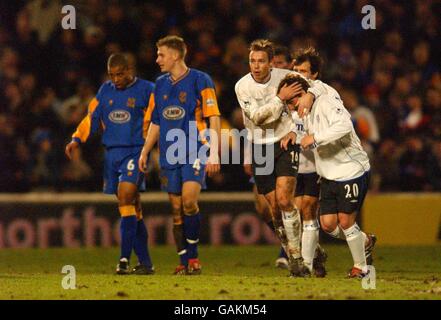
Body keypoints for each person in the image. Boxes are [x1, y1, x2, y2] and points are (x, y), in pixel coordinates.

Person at [235, 39, 329, 277]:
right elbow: (257, 117)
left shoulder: (285, 77)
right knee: (274, 208)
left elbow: (317, 86)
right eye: (252, 61)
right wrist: (280, 98)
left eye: (261, 61)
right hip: (259, 147)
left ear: (270, 64)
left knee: (285, 199)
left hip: (283, 144)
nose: (256, 66)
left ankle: (295, 257)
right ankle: (313, 249)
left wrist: (297, 124)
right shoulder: (242, 86)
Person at [65, 53, 155, 275]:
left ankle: (123, 259)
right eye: (112, 75)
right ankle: (145, 263)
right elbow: (91, 117)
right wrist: (76, 138)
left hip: (135, 152)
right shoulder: (105, 91)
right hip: (112, 155)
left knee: (125, 197)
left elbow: (158, 118)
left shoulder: (147, 89)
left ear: (129, 70)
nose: (116, 79)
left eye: (120, 74)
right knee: (133, 208)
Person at [138, 35, 221, 275]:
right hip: (168, 152)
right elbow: (156, 121)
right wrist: (145, 151)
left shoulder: (200, 79)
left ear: (175, 55)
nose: (157, 59)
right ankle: (184, 261)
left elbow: (213, 116)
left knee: (189, 202)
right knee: (176, 209)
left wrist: (213, 152)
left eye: (161, 54)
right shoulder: (160, 84)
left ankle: (194, 259)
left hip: (195, 148)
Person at [280, 73, 376, 278]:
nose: (290, 107)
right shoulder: (303, 111)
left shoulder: (326, 102)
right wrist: (294, 135)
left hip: (351, 169)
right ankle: (365, 241)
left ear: (304, 93)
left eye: (291, 101)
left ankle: (362, 268)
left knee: (345, 221)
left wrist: (316, 137)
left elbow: (344, 125)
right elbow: (302, 131)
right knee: (328, 225)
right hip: (329, 174)